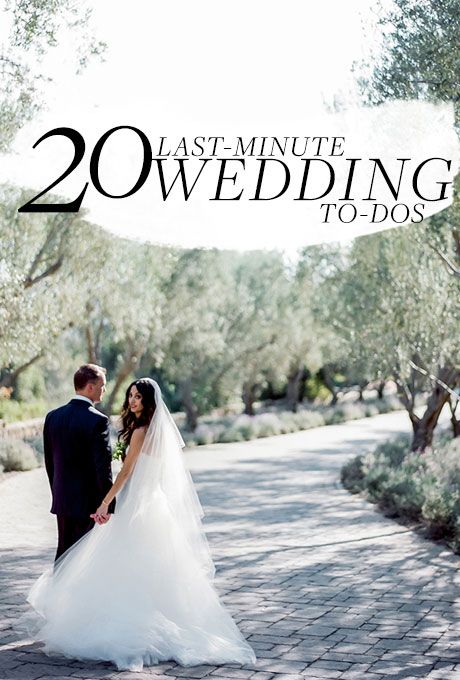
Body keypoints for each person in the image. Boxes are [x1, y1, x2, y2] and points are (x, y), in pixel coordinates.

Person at [26, 378, 256, 672]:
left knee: (124, 564)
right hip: (154, 503)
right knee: (154, 567)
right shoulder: (156, 433)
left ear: (149, 403)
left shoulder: (139, 432)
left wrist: (104, 502)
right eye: (130, 395)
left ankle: (133, 626)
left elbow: (125, 474)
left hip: (137, 504)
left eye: (138, 397)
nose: (132, 401)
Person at [43, 364, 115, 561]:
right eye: (102, 385)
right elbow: (103, 467)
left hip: (62, 500)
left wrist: (58, 494)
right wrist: (106, 504)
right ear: (90, 387)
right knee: (83, 560)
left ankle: (55, 592)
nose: (104, 390)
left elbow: (50, 463)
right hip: (87, 504)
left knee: (64, 555)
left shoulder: (53, 417)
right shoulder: (98, 420)